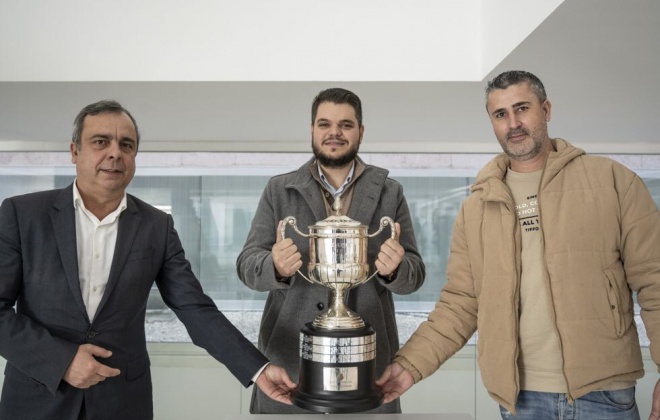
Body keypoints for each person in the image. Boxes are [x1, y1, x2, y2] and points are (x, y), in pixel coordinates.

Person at [376, 70, 660, 419]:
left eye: (522, 108)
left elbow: (655, 281)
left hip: (603, 393)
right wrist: (409, 366)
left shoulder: (613, 182)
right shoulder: (476, 207)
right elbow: (460, 303)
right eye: (500, 114)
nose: (513, 123)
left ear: (546, 109)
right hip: (520, 399)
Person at [0, 100, 297, 420]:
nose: (115, 152)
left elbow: (194, 308)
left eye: (126, 144)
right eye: (101, 142)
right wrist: (61, 361)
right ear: (74, 152)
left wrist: (258, 369)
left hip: (122, 403)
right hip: (37, 399)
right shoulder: (22, 214)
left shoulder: (157, 226)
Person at [236, 87, 426, 413]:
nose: (334, 133)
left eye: (346, 125)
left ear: (360, 132)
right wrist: (274, 266)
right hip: (289, 367)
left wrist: (397, 269)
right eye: (324, 124)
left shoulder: (390, 192)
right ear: (312, 130)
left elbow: (415, 274)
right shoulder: (278, 190)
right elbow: (246, 265)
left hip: (368, 368)